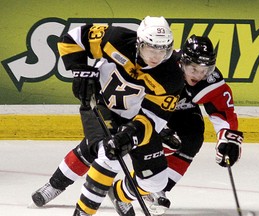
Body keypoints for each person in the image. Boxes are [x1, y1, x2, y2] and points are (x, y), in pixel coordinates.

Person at [31, 16, 184, 216]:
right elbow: (72, 38)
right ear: (139, 43)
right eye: (151, 49)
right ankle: (82, 210)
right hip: (101, 102)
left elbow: (154, 118)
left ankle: (120, 194)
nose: (156, 56)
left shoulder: (171, 76)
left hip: (136, 119)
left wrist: (131, 134)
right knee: (109, 152)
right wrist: (79, 70)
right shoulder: (116, 39)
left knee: (156, 180)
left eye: (162, 50)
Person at [136, 34, 244, 215]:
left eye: (205, 70)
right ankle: (132, 182)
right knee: (161, 142)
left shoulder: (210, 81)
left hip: (181, 108)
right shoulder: (164, 66)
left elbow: (223, 111)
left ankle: (158, 188)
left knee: (193, 136)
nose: (199, 75)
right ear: (182, 63)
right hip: (150, 108)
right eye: (194, 69)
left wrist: (228, 139)